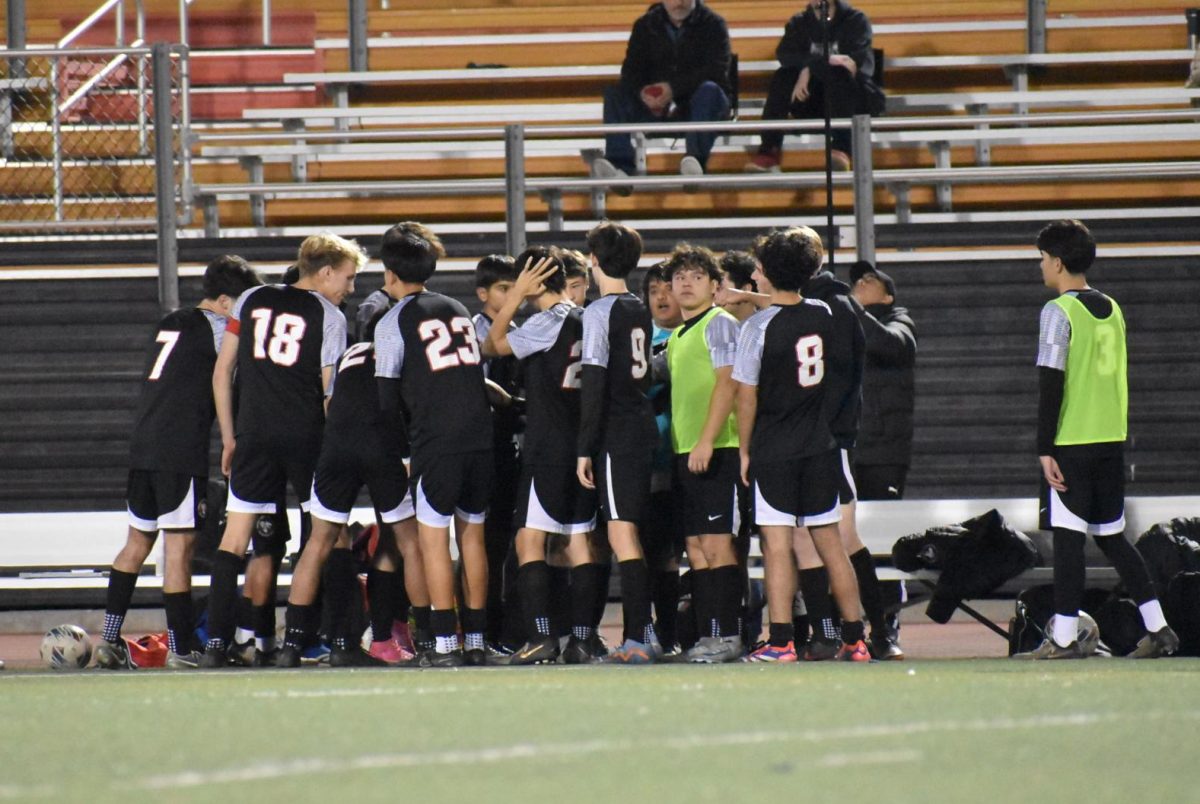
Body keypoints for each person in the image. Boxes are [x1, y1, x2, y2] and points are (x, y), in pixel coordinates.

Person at [1019, 219, 1178, 659]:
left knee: (1069, 541)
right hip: (1111, 439)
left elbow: (1051, 382)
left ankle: (1065, 638)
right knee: (1111, 537)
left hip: (1073, 440)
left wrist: (1044, 448)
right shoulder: (1113, 307)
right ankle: (1159, 627)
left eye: (1041, 259)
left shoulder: (1058, 311)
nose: (1040, 267)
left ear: (1056, 262)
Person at [200, 235, 361, 668]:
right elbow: (330, 392)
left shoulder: (251, 298)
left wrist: (230, 437)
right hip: (307, 436)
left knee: (234, 540)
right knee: (333, 533)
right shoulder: (329, 316)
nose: (350, 288)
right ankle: (328, 643)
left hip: (253, 434)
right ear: (326, 272)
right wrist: (340, 447)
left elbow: (222, 372)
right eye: (348, 278)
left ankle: (216, 647)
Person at [94, 256, 262, 671]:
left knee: (136, 544)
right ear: (225, 301)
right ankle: (180, 646)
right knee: (180, 546)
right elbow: (231, 380)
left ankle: (109, 639)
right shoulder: (221, 329)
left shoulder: (169, 321)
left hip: (144, 443)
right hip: (178, 449)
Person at [732, 226, 869, 663]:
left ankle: (781, 641)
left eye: (759, 267)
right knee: (830, 542)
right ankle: (856, 638)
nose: (755, 273)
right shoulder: (825, 314)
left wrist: (745, 448)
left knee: (776, 544)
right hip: (820, 445)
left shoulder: (757, 327)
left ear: (770, 272)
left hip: (775, 445)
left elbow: (746, 394)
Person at [275, 280, 429, 668]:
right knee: (409, 543)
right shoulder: (401, 351)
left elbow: (332, 400)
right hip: (381, 447)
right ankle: (426, 640)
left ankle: (291, 645)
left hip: (336, 448)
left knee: (318, 542)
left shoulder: (348, 353)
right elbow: (404, 405)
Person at [375, 222, 495, 667]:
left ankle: (445, 641)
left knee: (433, 541)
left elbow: (387, 402)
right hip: (479, 438)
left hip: (436, 442)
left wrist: (403, 453)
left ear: (390, 274)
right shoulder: (458, 308)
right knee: (473, 538)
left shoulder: (392, 322)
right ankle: (477, 639)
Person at [480, 247, 606, 665]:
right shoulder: (590, 319)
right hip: (584, 444)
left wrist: (516, 295)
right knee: (579, 541)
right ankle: (583, 639)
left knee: (529, 538)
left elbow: (492, 345)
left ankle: (541, 637)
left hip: (548, 444)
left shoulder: (545, 322)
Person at [577, 220, 661, 663]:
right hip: (641, 424)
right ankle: (643, 634)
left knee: (621, 534)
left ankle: (635, 639)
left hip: (615, 431)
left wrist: (583, 448)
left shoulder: (598, 311)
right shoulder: (638, 307)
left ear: (593, 260)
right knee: (633, 533)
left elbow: (594, 381)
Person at [661, 245, 745, 663]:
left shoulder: (720, 323)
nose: (685, 283)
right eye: (679, 278)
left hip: (717, 450)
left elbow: (728, 385)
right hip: (685, 452)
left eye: (696, 276)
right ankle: (707, 636)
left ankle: (728, 635)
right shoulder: (677, 335)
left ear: (716, 286)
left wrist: (708, 440)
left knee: (716, 545)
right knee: (695, 547)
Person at [592, 0, 732, 191]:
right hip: (655, 108)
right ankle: (619, 168)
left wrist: (673, 89)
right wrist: (643, 93)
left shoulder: (714, 25)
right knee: (614, 94)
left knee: (710, 90)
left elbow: (716, 70)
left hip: (697, 107)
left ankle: (695, 163)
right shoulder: (645, 26)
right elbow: (631, 72)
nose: (679, 2)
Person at [746, 0, 884, 173]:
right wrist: (810, 66)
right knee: (783, 75)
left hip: (851, 101)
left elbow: (854, 63)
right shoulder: (799, 22)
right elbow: (784, 55)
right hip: (812, 99)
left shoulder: (856, 20)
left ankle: (843, 149)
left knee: (838, 72)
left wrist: (809, 67)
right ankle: (769, 151)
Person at [472, 255, 524, 654]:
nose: (512, 296)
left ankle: (507, 628)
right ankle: (481, 627)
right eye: (503, 289)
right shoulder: (474, 332)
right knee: (483, 543)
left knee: (508, 543)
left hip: (514, 446)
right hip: (484, 446)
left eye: (514, 288)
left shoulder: (521, 331)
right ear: (482, 294)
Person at [641, 262, 684, 655]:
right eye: (653, 289)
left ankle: (707, 629)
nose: (661, 296)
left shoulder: (696, 332)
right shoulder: (638, 336)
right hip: (649, 461)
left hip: (691, 458)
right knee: (655, 551)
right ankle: (659, 633)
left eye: (667, 287)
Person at [848, 260, 916, 500]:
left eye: (872, 279)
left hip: (883, 454)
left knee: (878, 523)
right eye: (859, 278)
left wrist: (851, 307)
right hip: (847, 449)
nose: (861, 281)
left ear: (888, 298)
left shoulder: (899, 320)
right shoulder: (843, 322)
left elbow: (889, 344)